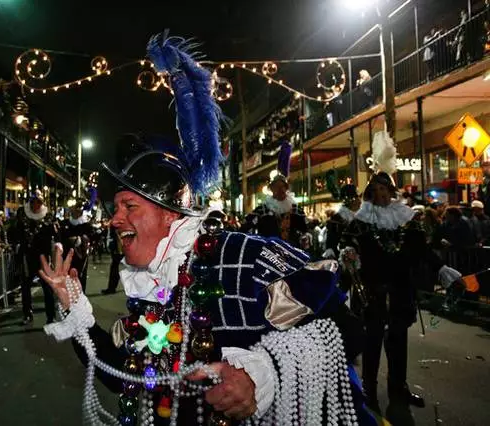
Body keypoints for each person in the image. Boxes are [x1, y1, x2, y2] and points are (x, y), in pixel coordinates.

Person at [38, 34, 375, 426]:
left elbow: (347, 329)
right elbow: (122, 372)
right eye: (115, 208)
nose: (115, 220)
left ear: (171, 215)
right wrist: (75, 307)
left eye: (129, 206)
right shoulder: (151, 290)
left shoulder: (245, 257)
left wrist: (262, 373)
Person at [340, 132, 462, 415]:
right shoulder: (361, 222)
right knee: (371, 344)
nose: (381, 195)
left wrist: (441, 268)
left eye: (385, 190)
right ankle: (368, 391)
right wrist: (346, 256)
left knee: (398, 342)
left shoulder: (407, 220)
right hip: (371, 293)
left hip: (400, 292)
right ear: (370, 194)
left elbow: (422, 250)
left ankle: (399, 387)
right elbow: (348, 246)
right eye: (376, 191)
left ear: (391, 193)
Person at [16, 191, 59, 325]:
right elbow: (16, 232)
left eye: (39, 202)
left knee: (47, 287)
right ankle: (27, 314)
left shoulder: (48, 216)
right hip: (27, 256)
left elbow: (55, 235)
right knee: (25, 287)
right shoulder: (22, 214)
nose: (36, 205)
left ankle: (51, 316)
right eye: (34, 202)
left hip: (43, 257)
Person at [324, 183, 360, 260]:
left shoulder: (361, 216)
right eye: (356, 197)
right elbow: (331, 245)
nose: (359, 200)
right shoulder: (337, 219)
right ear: (349, 200)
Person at [100, 223, 123, 295]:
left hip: (117, 248)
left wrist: (119, 249)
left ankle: (112, 288)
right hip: (116, 247)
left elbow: (118, 236)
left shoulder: (117, 222)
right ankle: (112, 287)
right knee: (115, 267)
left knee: (114, 267)